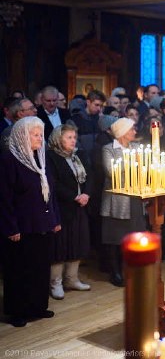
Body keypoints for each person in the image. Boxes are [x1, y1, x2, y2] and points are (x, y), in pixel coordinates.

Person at [0, 116, 61, 328]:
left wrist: (54, 218)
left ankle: (37, 306)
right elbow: (4, 198)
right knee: (19, 269)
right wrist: (11, 227)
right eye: (35, 135)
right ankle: (18, 311)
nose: (39, 138)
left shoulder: (40, 158)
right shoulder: (9, 160)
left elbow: (50, 192)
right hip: (20, 226)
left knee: (40, 267)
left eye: (40, 134)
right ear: (22, 136)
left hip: (42, 223)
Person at [47, 124, 91, 299]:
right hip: (62, 207)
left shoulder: (77, 155)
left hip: (80, 206)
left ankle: (71, 279)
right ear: (59, 139)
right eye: (69, 137)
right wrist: (74, 196)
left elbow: (89, 176)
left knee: (77, 242)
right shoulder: (51, 157)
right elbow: (53, 183)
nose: (73, 140)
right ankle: (55, 283)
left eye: (74, 137)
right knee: (60, 246)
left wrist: (86, 193)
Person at [101, 118, 145, 287]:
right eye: (131, 129)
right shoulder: (108, 149)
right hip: (117, 200)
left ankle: (133, 270)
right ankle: (115, 272)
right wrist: (133, 162)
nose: (135, 132)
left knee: (135, 235)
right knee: (115, 237)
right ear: (122, 133)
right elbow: (111, 172)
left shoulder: (137, 148)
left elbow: (145, 169)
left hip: (134, 198)